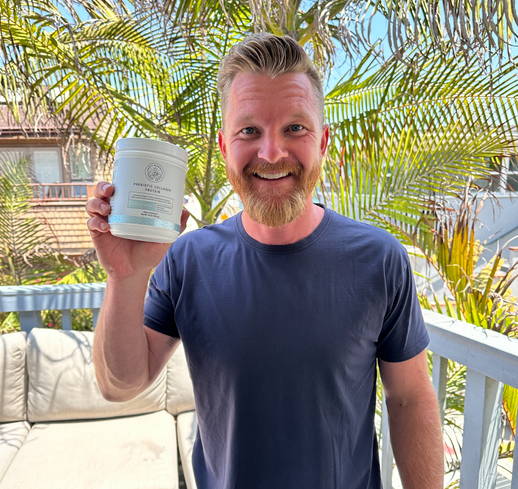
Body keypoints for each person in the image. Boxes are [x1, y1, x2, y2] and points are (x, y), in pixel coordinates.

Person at [87, 33, 444, 489]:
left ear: (322, 142)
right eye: (249, 131)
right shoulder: (189, 260)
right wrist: (125, 275)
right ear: (224, 146)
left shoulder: (378, 259)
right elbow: (119, 384)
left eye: (294, 128)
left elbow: (410, 398)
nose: (272, 153)